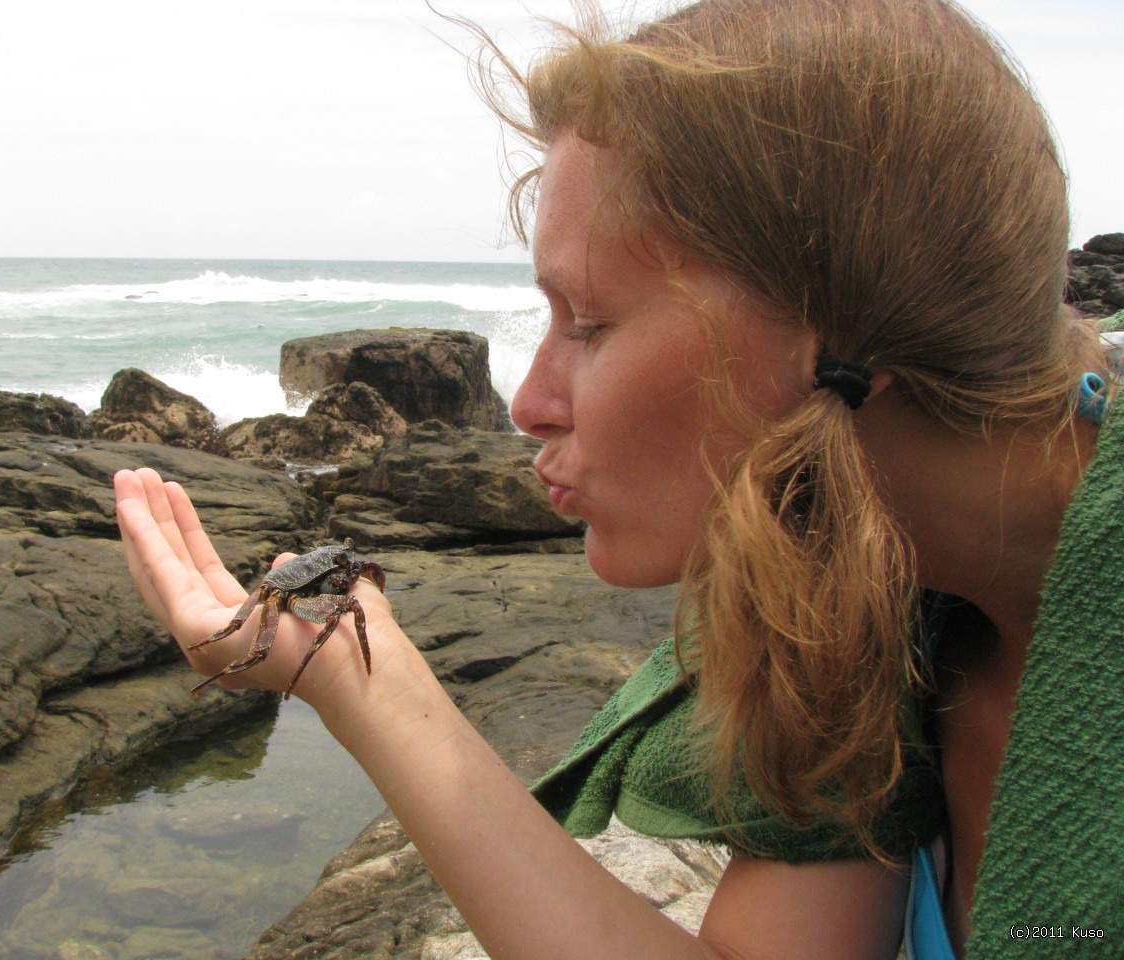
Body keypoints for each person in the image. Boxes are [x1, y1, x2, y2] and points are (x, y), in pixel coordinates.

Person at [114, 1, 1124, 957]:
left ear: (834, 338)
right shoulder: (878, 622)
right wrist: (363, 684)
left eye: (588, 321)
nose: (528, 404)